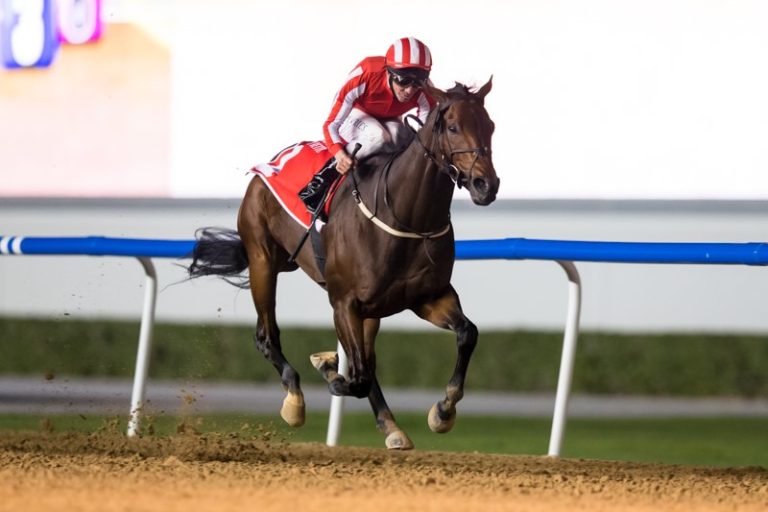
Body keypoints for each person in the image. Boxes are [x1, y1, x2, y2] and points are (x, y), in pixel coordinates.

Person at [299, 37, 436, 214]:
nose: (410, 90)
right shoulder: (366, 74)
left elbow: (425, 137)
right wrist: (340, 155)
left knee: (403, 135)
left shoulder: (426, 91)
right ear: (389, 72)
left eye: (417, 83)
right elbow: (330, 125)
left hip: (388, 119)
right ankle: (323, 178)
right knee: (379, 136)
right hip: (354, 115)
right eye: (403, 81)